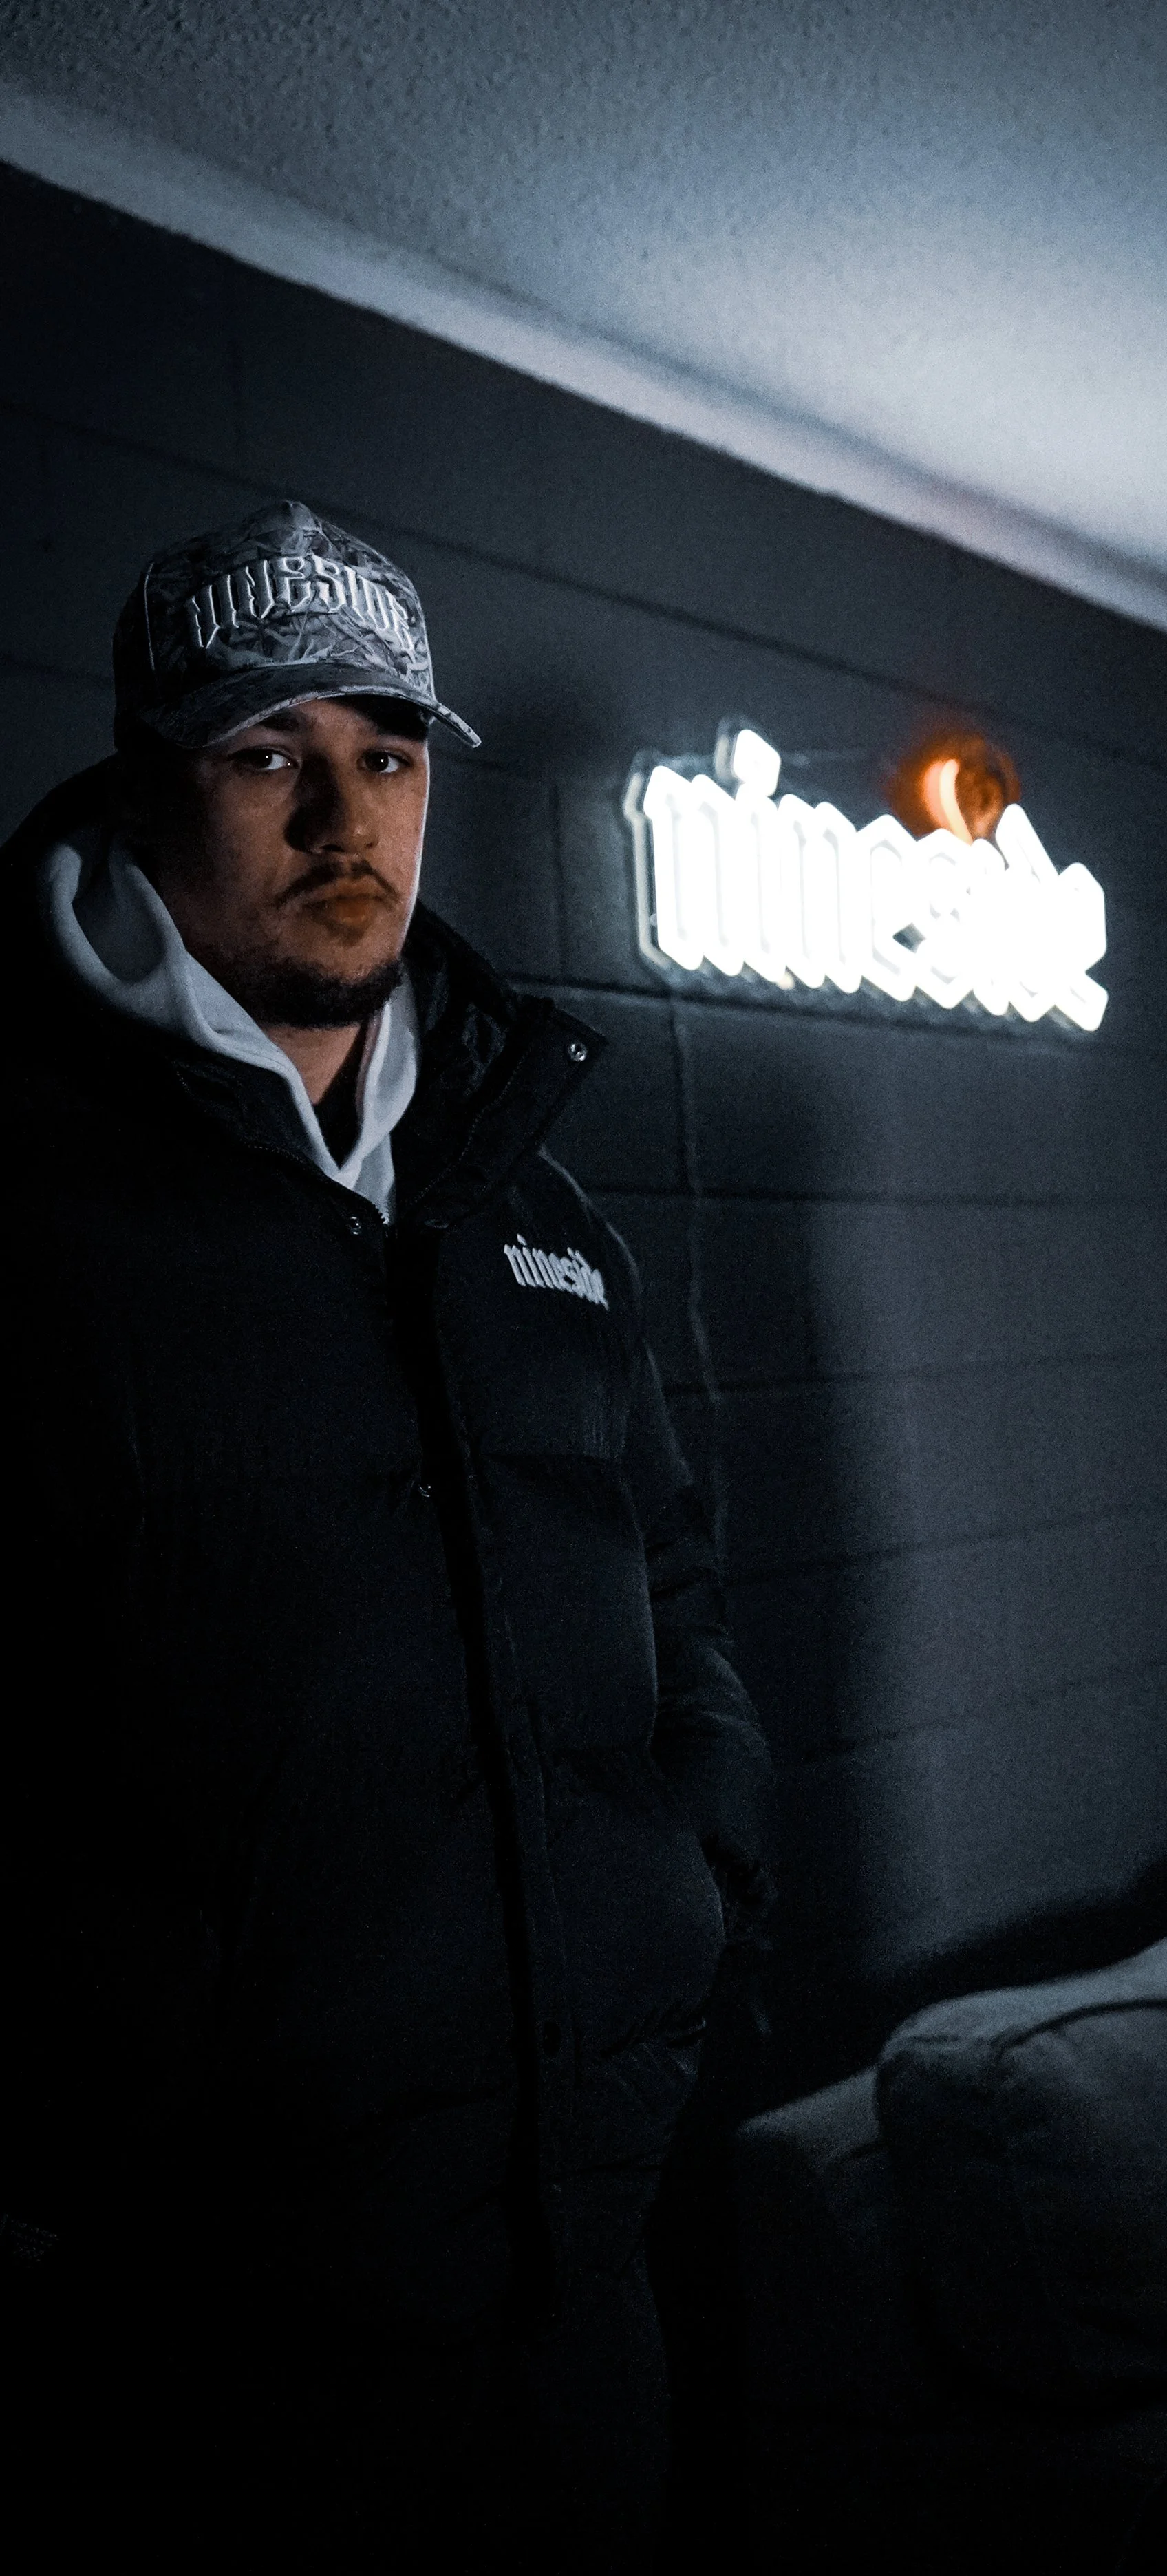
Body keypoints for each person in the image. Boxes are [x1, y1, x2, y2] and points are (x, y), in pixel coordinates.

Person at [0, 500, 771, 2570]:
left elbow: (672, 1593)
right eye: (272, 753)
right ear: (151, 770)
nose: (351, 813)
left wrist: (689, 1884)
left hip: (581, 2270)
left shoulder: (532, 1195)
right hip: (205, 2351)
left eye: (392, 754)